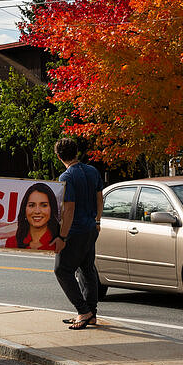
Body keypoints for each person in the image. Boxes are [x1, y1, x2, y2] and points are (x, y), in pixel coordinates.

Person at [52, 138, 104, 330]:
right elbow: (100, 198)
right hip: (91, 228)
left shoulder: (66, 177)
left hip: (75, 232)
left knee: (61, 270)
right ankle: (91, 314)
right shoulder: (92, 171)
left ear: (59, 157)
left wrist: (62, 237)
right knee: (86, 270)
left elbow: (70, 209)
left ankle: (83, 311)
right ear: (76, 152)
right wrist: (98, 220)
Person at [6, 183, 60, 250]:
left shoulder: (59, 244)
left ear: (52, 209)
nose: (37, 211)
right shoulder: (12, 242)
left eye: (44, 205)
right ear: (24, 209)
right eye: (31, 205)